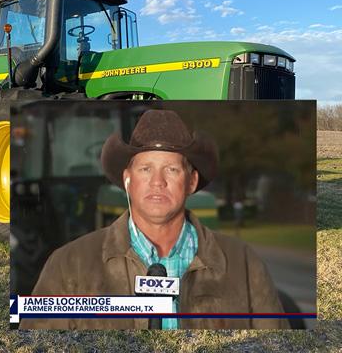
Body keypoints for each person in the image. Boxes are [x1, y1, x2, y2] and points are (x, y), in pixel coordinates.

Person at [21, 109, 288, 329]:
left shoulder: (245, 263)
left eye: (171, 169)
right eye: (146, 169)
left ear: (191, 181)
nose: (158, 182)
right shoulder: (68, 265)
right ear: (128, 179)